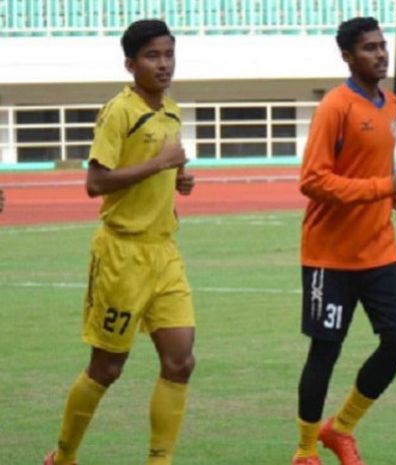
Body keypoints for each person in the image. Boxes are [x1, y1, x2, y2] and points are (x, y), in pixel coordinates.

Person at [44, 19, 196, 465]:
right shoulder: (120, 111)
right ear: (131, 64)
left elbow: (159, 166)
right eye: (152, 56)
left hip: (164, 252)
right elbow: (96, 182)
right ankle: (65, 456)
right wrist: (160, 163)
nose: (163, 64)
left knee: (181, 361)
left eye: (168, 54)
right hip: (121, 255)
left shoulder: (172, 111)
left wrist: (177, 177)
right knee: (107, 368)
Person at [291, 16, 396, 465]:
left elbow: (376, 174)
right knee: (325, 351)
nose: (380, 54)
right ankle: (306, 451)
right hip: (330, 255)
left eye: (382, 46)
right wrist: (385, 189)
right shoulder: (334, 106)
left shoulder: (391, 106)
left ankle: (340, 428)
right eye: (369, 48)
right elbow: (312, 181)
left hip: (380, 250)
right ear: (348, 56)